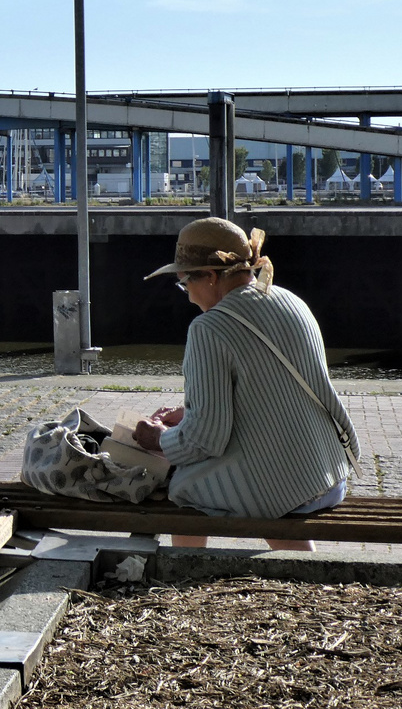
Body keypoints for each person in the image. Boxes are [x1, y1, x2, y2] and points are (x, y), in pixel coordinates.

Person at [133, 217, 360, 547]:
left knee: (179, 483)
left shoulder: (209, 328)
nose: (187, 296)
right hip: (329, 473)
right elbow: (272, 394)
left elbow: (204, 441)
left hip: (288, 488)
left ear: (210, 277)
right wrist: (189, 413)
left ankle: (184, 570)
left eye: (185, 283)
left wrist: (157, 439)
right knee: (254, 472)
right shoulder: (291, 301)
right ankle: (302, 569)